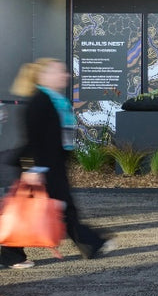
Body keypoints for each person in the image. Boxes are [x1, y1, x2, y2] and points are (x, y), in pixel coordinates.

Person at [23, 58, 113, 258]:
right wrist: (33, 168)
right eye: (59, 72)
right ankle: (10, 253)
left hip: (54, 164)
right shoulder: (40, 102)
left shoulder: (56, 101)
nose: (65, 75)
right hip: (43, 167)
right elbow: (33, 139)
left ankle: (91, 244)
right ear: (44, 76)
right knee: (36, 211)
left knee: (62, 208)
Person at [0, 63, 39, 269]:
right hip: (12, 165)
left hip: (12, 163)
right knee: (14, 209)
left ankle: (13, 254)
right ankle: (11, 255)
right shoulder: (33, 103)